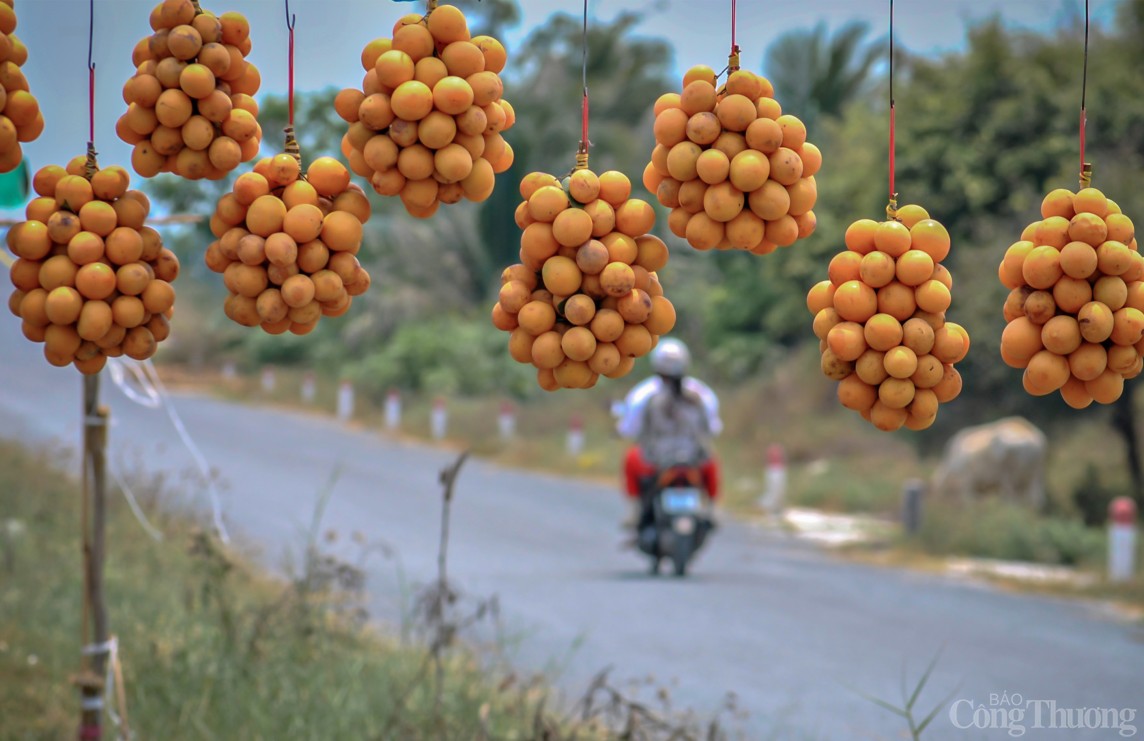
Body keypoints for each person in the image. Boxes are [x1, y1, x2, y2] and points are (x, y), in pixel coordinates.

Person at [616, 338, 721, 526]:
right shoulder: (701, 394)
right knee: (711, 462)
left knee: (631, 458)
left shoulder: (644, 394)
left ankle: (635, 511)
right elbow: (713, 428)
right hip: (692, 458)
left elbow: (629, 429)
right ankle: (712, 510)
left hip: (655, 459)